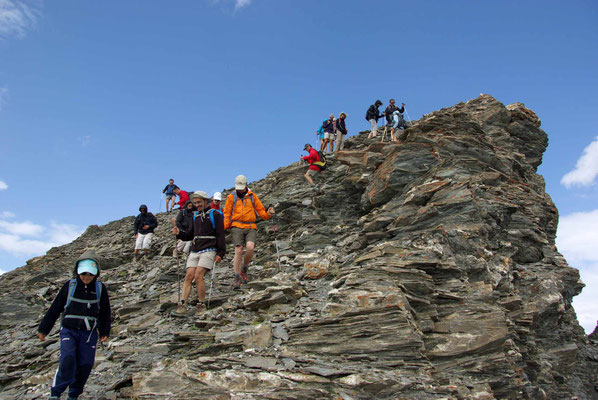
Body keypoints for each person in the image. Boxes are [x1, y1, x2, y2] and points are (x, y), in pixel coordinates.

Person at [38, 250, 111, 400]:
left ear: (96, 273)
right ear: (77, 272)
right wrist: (44, 329)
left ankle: (74, 394)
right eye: (83, 273)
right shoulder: (69, 286)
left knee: (85, 363)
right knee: (68, 358)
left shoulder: (100, 289)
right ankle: (56, 393)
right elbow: (56, 308)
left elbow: (105, 312)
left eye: (90, 274)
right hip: (69, 331)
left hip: (88, 333)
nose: (86, 277)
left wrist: (105, 331)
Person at [173, 191, 225, 316]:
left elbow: (220, 234)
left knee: (198, 275)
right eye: (195, 203)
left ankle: (201, 304)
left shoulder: (215, 214)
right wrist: (178, 233)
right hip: (195, 249)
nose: (197, 205)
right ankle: (183, 304)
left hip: (209, 248)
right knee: (188, 276)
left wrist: (221, 253)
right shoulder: (195, 216)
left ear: (205, 201)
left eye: (199, 202)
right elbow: (189, 235)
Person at [223, 175, 275, 290]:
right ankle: (237, 277)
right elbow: (226, 213)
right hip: (236, 225)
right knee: (238, 249)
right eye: (238, 187)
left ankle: (244, 269)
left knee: (250, 247)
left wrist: (269, 214)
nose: (240, 189)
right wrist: (225, 226)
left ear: (246, 185)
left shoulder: (252, 196)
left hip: (251, 225)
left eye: (242, 187)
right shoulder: (231, 197)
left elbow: (261, 211)